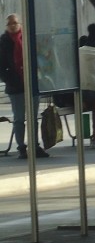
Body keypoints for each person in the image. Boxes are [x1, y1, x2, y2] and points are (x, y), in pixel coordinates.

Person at [0, 13, 47, 158]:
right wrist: (10, 79)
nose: (13, 26)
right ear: (7, 26)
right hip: (15, 86)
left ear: (20, 24)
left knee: (33, 118)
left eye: (15, 23)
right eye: (10, 24)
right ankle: (21, 147)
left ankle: (35, 146)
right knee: (19, 118)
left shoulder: (27, 38)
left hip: (31, 83)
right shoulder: (3, 41)